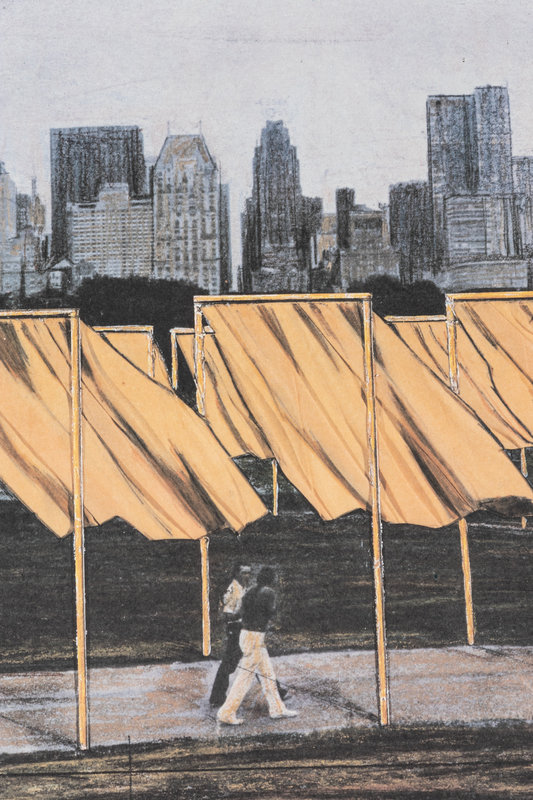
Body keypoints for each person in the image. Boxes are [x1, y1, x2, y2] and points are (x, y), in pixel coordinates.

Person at [216, 566, 297, 725]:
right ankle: (226, 712)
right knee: (245, 677)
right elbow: (271, 612)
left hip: (246, 635)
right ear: (270, 579)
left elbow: (239, 613)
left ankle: (277, 708)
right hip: (255, 637)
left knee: (267, 674)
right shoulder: (269, 593)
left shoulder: (249, 592)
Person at [209, 563, 252, 707]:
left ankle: (217, 697)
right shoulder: (233, 590)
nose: (247, 576)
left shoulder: (243, 588)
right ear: (236, 574)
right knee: (229, 664)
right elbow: (226, 616)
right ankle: (217, 697)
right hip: (236, 629)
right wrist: (242, 613)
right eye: (244, 573)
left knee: (256, 659)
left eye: (249, 573)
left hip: (243, 629)